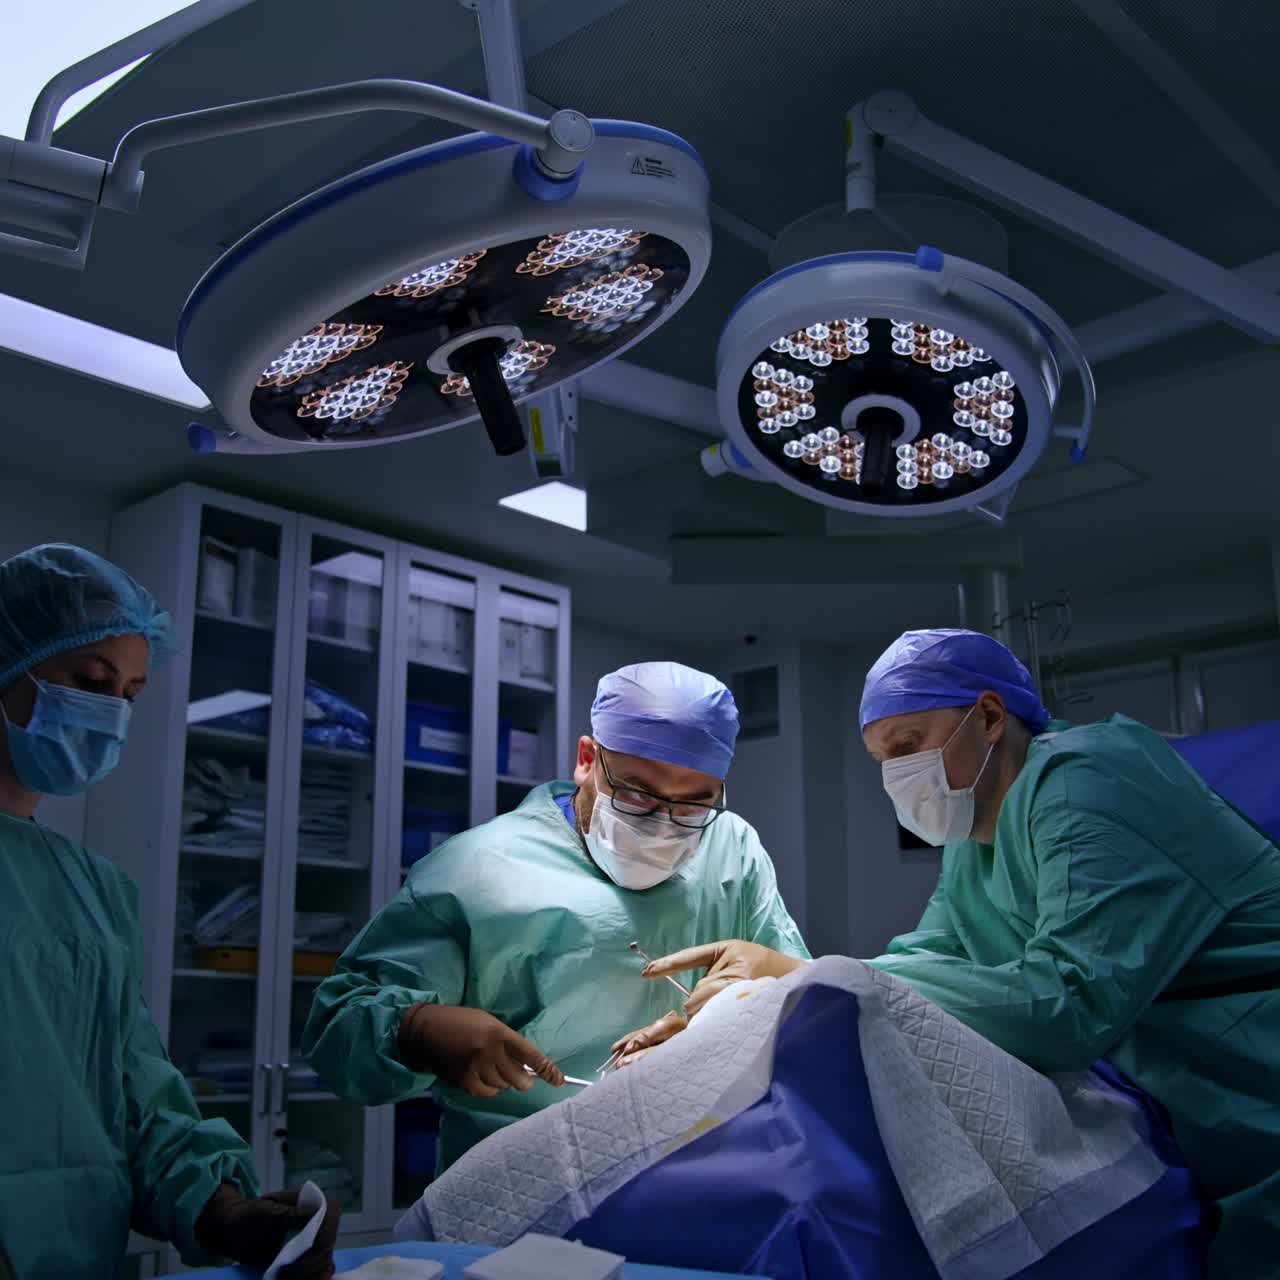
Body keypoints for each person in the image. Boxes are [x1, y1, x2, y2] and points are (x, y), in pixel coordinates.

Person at [638, 628, 1280, 1279]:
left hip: (1255, 1074)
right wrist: (778, 998)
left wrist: (803, 975)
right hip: (1184, 1097)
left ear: (991, 716)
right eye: (880, 758)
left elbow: (1069, 1007)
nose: (895, 774)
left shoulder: (1087, 780)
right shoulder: (976, 836)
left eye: (908, 746)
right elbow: (931, 958)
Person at [302, 661, 809, 1171]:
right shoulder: (476, 869)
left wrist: (741, 1013)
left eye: (693, 806)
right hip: (517, 1181)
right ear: (587, 760)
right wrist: (417, 1030)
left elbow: (807, 1013)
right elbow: (337, 1026)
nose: (663, 825)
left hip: (694, 1169)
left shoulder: (731, 848)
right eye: (636, 794)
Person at [0, 544, 340, 1280]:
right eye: (90, 682)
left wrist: (224, 1213)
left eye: (129, 694)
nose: (110, 713)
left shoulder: (95, 891)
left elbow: (140, 1102)